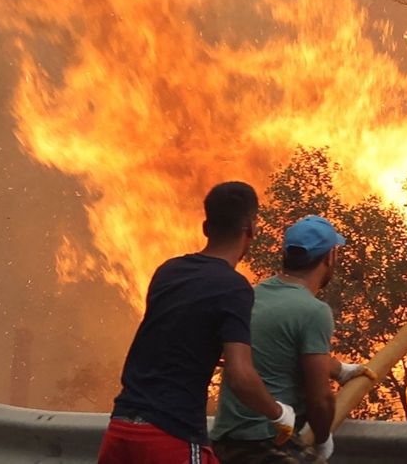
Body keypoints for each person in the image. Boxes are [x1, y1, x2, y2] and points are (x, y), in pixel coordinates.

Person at [98, 181, 296, 464]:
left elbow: (172, 340)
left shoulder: (167, 272)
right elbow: (241, 377)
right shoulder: (234, 287)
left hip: (121, 429)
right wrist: (279, 413)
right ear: (252, 229)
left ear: (206, 227)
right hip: (170, 435)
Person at [210, 215, 376, 464]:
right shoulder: (313, 311)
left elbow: (276, 348)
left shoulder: (253, 295)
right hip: (266, 443)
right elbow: (320, 398)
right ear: (330, 257)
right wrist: (322, 440)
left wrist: (339, 369)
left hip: (225, 441)